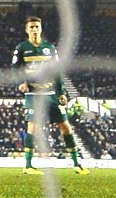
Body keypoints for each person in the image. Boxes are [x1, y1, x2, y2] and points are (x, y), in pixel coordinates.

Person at [11, 15, 87, 174]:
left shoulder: (50, 48)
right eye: (31, 27)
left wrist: (62, 93)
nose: (34, 29)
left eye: (36, 27)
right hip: (33, 93)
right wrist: (22, 82)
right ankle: (28, 166)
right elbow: (15, 69)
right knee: (33, 126)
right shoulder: (21, 48)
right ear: (26, 30)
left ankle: (76, 164)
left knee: (65, 126)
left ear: (41, 29)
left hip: (51, 92)